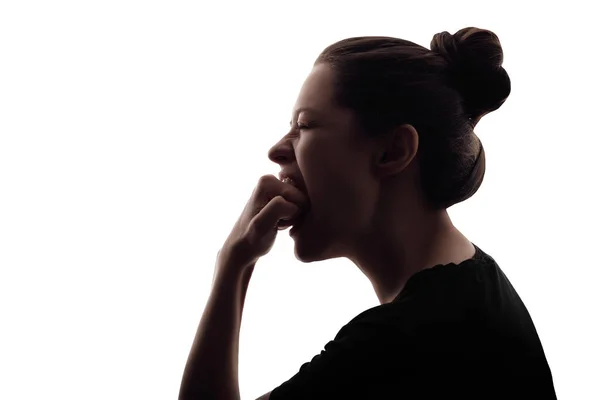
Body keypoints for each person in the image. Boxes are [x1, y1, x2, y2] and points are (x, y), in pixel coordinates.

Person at [178, 27, 557, 399]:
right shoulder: (477, 288)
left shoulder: (402, 343)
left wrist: (233, 263)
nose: (277, 151)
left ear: (392, 151)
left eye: (304, 125)